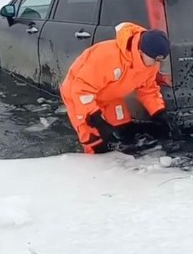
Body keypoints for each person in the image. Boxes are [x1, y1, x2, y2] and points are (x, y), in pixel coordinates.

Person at [60, 21, 172, 154]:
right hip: (79, 96)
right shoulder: (107, 58)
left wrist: (159, 113)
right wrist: (97, 120)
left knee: (124, 133)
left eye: (160, 60)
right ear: (141, 51)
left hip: (110, 95)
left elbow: (148, 89)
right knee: (96, 143)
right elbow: (81, 90)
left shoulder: (150, 64)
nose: (157, 63)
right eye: (155, 59)